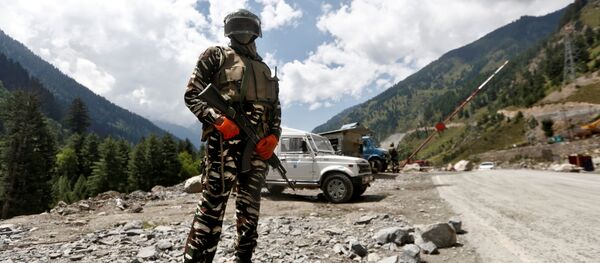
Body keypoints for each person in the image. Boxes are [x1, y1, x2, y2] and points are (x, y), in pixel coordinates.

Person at [183, 9, 281, 263]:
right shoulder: (216, 55)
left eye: (247, 27)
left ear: (256, 31)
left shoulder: (264, 68)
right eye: (238, 27)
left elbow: (275, 108)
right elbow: (192, 94)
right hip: (224, 145)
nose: (243, 32)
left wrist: (274, 136)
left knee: (250, 210)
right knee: (212, 208)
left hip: (258, 148)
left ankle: (243, 258)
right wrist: (217, 120)